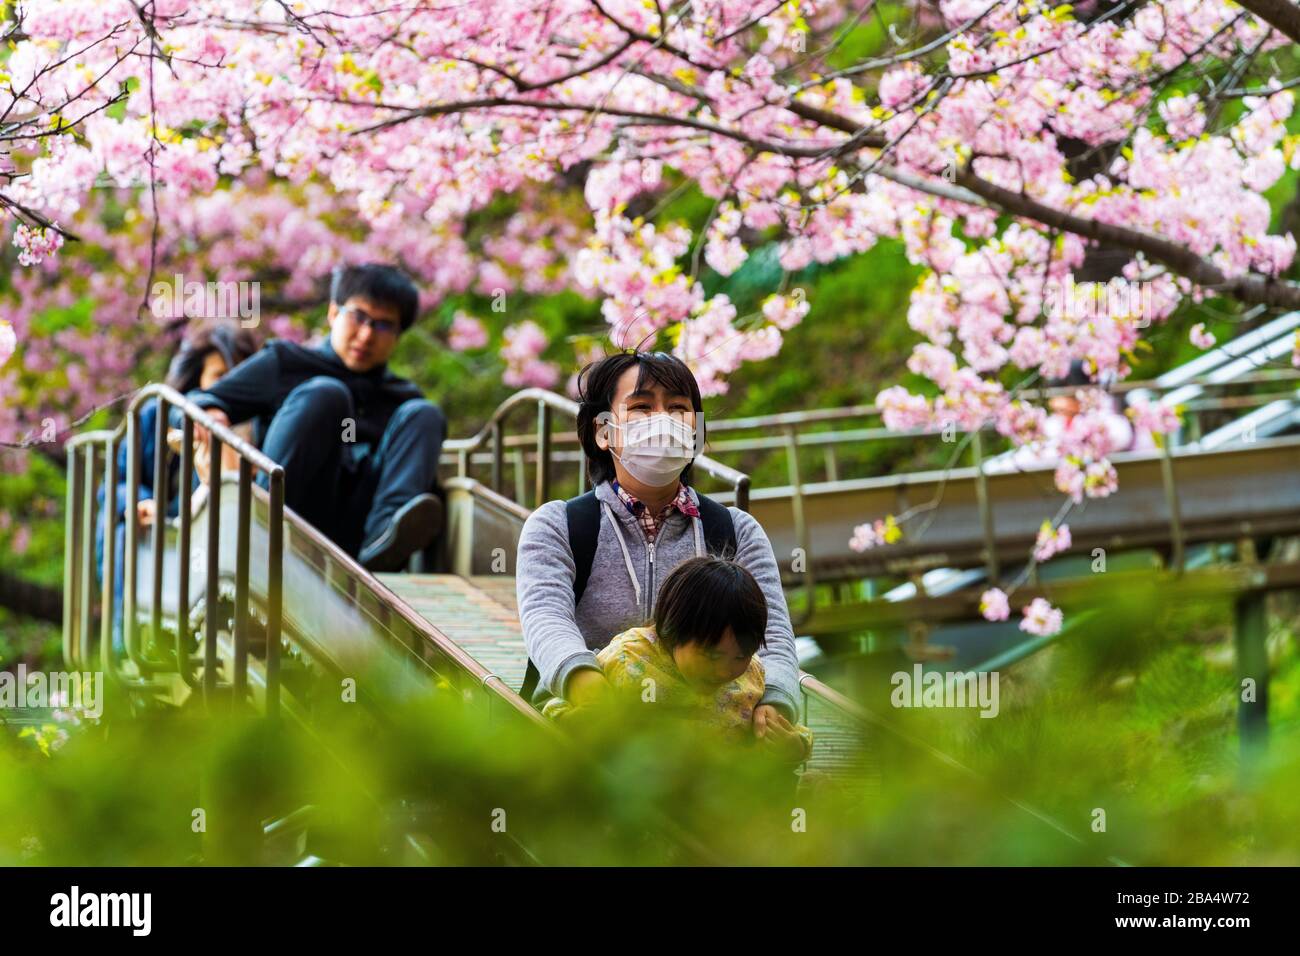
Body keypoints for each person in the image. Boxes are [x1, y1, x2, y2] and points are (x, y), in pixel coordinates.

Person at [515, 350, 806, 761]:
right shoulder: (559, 526)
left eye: (677, 408)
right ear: (603, 431)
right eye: (641, 407)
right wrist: (591, 690)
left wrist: (773, 705)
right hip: (591, 741)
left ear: (696, 430)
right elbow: (546, 619)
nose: (662, 420)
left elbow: (772, 636)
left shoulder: (735, 531)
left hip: (713, 741)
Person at [179, 263, 446, 571]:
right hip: (290, 517)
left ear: (398, 335)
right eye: (359, 316)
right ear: (334, 313)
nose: (367, 334)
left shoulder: (401, 397)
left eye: (384, 325)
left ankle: (384, 542)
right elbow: (191, 404)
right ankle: (264, 524)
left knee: (425, 415)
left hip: (359, 535)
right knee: (326, 394)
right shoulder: (286, 363)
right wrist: (212, 413)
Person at [542, 556, 814, 760]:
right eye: (711, 655)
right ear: (673, 631)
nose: (724, 671)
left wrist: (793, 747)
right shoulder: (631, 662)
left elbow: (789, 733)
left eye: (740, 656)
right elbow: (557, 709)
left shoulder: (750, 677)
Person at [96, 320, 261, 647]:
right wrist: (139, 503)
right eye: (219, 375)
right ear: (196, 376)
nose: (229, 386)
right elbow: (115, 483)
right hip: (157, 540)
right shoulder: (155, 415)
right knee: (121, 534)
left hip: (215, 549)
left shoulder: (255, 425)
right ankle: (122, 643)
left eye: (240, 375)